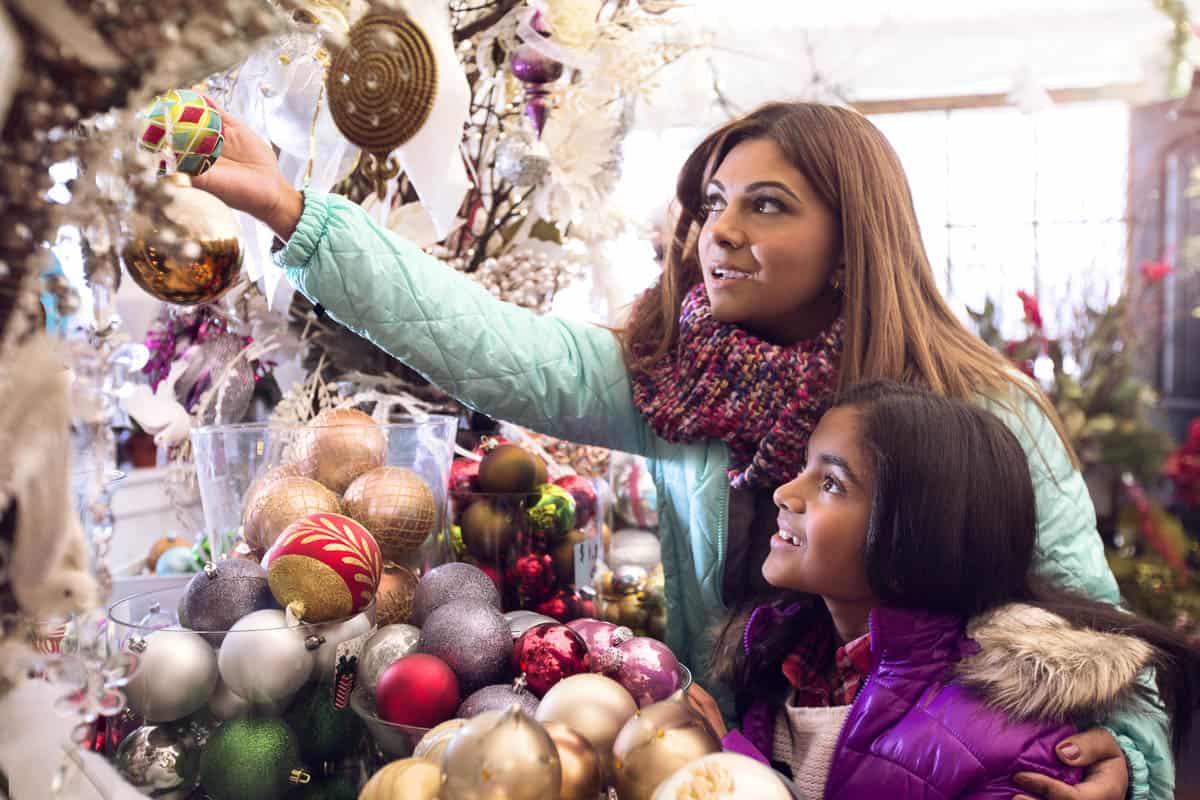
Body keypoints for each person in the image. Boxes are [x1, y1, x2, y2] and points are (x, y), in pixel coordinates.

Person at [194, 100, 1171, 797]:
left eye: (768, 204)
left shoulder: (982, 412)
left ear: (853, 235)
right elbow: (497, 349)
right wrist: (293, 212)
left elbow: (1094, 632)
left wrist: (1129, 760)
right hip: (731, 760)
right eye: (712, 202)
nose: (719, 231)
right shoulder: (676, 376)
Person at [702, 381, 1200, 799]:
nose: (785, 493)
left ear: (916, 533)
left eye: (831, 482)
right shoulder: (787, 660)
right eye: (804, 468)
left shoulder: (1005, 748)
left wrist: (724, 762)